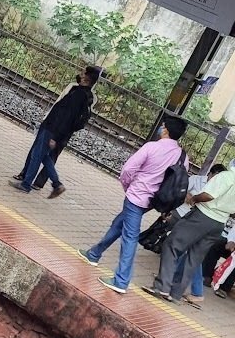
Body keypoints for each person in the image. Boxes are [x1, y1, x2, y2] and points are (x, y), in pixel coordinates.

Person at [80, 115, 187, 294]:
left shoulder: (152, 147)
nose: (160, 128)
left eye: (162, 126)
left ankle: (121, 281)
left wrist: (128, 186)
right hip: (155, 201)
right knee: (119, 223)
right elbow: (179, 184)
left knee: (129, 237)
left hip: (137, 197)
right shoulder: (182, 156)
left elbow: (128, 169)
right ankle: (94, 253)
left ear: (166, 129)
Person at [147, 160, 235, 304]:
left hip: (203, 216)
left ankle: (161, 286)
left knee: (172, 244)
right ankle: (175, 293)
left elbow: (208, 195)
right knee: (194, 258)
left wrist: (194, 198)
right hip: (219, 223)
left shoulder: (227, 176)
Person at [11, 65, 101, 198]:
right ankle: (57, 184)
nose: (80, 74)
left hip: (52, 128)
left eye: (83, 73)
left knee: (37, 155)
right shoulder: (85, 94)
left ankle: (26, 184)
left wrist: (56, 137)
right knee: (45, 157)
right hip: (53, 128)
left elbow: (66, 117)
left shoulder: (78, 95)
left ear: (87, 78)